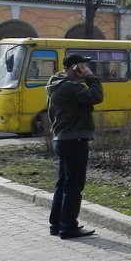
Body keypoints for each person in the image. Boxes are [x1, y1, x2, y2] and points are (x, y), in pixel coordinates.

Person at [47, 53, 104, 239]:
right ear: (74, 68)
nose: (87, 69)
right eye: (83, 66)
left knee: (63, 183)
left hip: (63, 139)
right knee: (73, 185)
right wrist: (91, 78)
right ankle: (68, 227)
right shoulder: (70, 87)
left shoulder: (57, 85)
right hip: (74, 140)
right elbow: (96, 96)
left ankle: (56, 224)